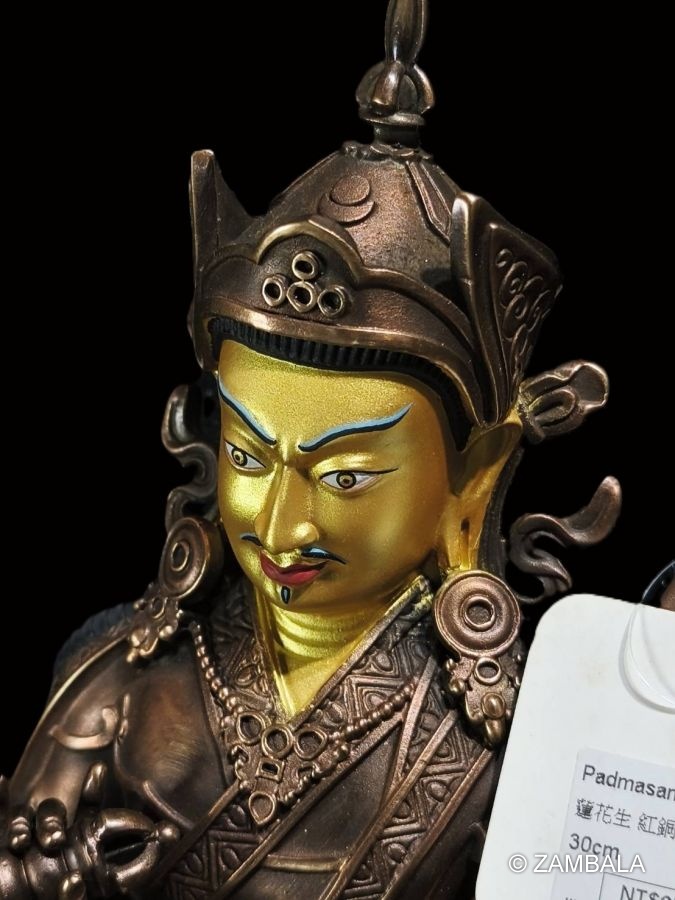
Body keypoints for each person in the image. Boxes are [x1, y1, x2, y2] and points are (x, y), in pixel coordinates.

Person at [0, 1, 620, 897]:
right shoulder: (118, 679)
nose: (284, 526)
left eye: (346, 475)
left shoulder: (525, 738)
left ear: (473, 476)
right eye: (249, 458)